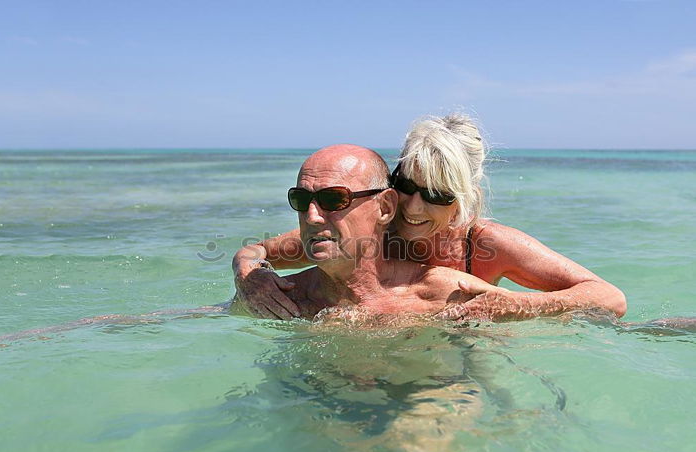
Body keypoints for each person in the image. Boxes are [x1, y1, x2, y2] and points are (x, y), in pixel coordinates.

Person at [233, 113, 627, 321]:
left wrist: (519, 306)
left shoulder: (486, 244)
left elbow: (608, 297)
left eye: (438, 195)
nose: (416, 207)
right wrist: (252, 281)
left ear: (464, 199)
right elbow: (254, 251)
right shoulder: (370, 229)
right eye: (407, 186)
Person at [231, 143, 496, 319]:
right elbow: (254, 253)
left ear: (385, 208)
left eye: (334, 199)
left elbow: (535, 307)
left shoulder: (441, 292)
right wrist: (250, 274)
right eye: (301, 200)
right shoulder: (280, 296)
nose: (312, 216)